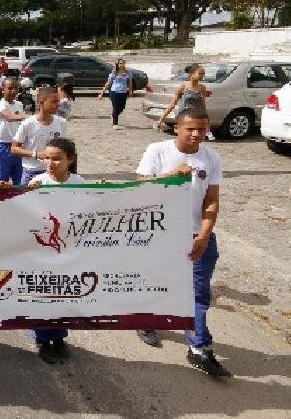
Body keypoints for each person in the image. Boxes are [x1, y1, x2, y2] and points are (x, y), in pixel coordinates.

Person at [135, 107, 230, 377]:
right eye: (190, 129)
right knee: (156, 283)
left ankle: (198, 347)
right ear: (176, 128)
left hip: (195, 235)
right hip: (159, 233)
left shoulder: (211, 158)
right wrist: (171, 175)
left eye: (202, 129)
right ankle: (147, 320)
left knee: (198, 292)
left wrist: (205, 234)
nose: (196, 134)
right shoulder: (157, 151)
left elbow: (211, 200)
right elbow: (139, 186)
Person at [24, 137, 82, 363]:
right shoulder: (37, 182)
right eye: (46, 158)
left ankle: (59, 337)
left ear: (70, 159)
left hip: (68, 250)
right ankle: (42, 338)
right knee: (43, 294)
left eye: (57, 159)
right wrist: (27, 194)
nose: (50, 163)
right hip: (42, 251)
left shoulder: (79, 183)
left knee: (63, 293)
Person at [11, 87, 68, 185]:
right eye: (54, 101)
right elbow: (14, 149)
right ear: (41, 103)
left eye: (58, 101)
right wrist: (36, 154)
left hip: (53, 174)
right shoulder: (28, 123)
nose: (57, 104)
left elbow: (63, 148)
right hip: (32, 172)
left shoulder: (61, 123)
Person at [157, 63, 213, 139]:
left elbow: (203, 105)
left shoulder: (202, 88)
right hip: (184, 117)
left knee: (195, 138)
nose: (202, 76)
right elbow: (172, 104)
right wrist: (161, 119)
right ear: (192, 74)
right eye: (200, 73)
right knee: (184, 137)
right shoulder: (183, 87)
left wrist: (207, 122)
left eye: (203, 74)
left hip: (196, 118)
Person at [0, 78, 29, 184]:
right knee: (2, 180)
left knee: (19, 178)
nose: (13, 91)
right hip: (3, 145)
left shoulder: (19, 104)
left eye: (15, 88)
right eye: (9, 88)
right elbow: (9, 117)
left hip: (17, 145)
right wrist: (29, 117)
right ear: (3, 90)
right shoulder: (0, 104)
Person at [97, 59, 133, 130]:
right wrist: (101, 94)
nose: (122, 64)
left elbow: (130, 83)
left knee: (122, 107)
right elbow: (108, 84)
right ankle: (115, 124)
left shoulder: (128, 73)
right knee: (116, 108)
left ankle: (113, 115)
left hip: (123, 92)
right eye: (120, 63)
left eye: (123, 63)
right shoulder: (114, 73)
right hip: (114, 92)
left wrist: (130, 91)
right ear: (117, 64)